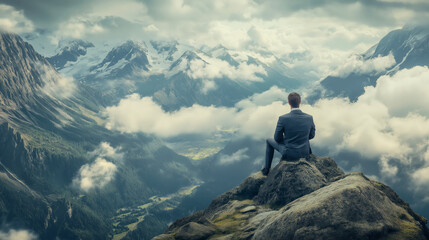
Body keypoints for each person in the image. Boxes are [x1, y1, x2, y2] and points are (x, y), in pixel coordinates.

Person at [261, 92, 315, 176]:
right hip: (305, 152)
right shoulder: (309, 117)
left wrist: (288, 139)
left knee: (269, 140)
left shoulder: (283, 118)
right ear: (300, 101)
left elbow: (277, 138)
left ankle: (266, 169)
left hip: (289, 153)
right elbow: (311, 135)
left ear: (289, 103)